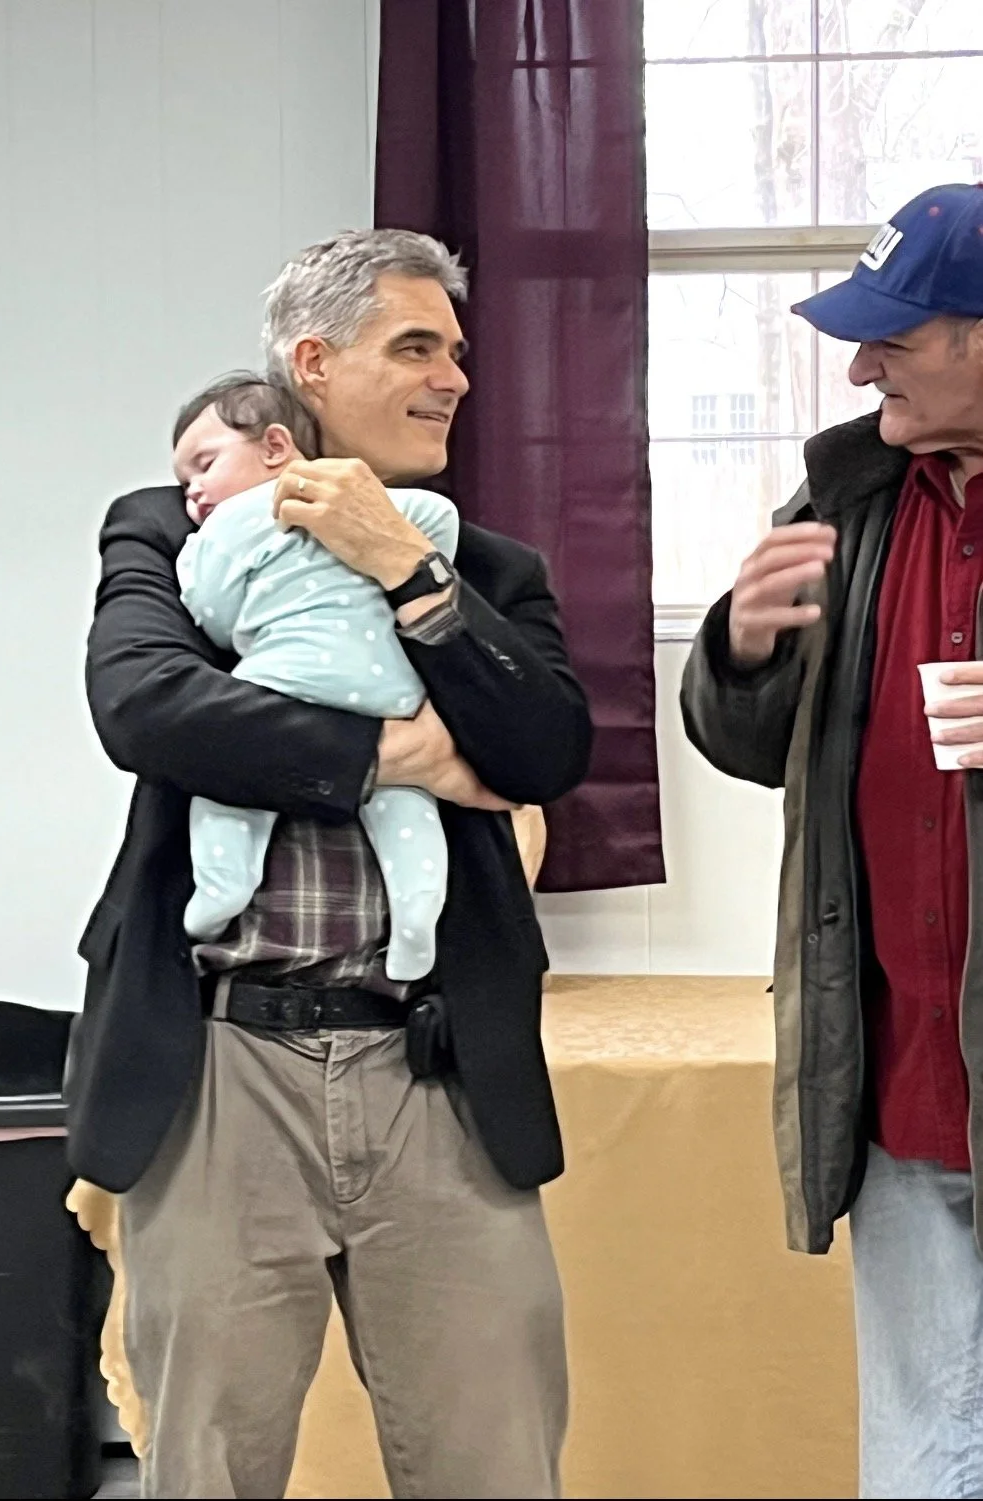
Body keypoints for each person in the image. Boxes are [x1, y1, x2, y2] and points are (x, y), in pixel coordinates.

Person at [66, 228, 592, 1499]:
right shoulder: (174, 527)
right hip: (219, 1065)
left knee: (494, 1464)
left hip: (439, 1070)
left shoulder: (484, 564)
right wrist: (393, 755)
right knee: (210, 1472)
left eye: (457, 353)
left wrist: (406, 570)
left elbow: (546, 745)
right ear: (315, 363)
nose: (454, 377)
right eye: (416, 347)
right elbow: (150, 708)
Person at [680, 183, 983, 1499]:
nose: (860, 366)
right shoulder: (846, 489)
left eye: (897, 338)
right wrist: (742, 646)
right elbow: (754, 745)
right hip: (905, 1073)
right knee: (923, 1445)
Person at [174, 374, 459, 980]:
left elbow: (215, 616)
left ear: (275, 447)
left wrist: (212, 587)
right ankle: (415, 919)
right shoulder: (369, 503)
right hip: (392, 691)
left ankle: (223, 888)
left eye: (203, 464)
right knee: (406, 802)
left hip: (285, 680)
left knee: (232, 779)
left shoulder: (229, 524)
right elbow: (439, 516)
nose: (192, 490)